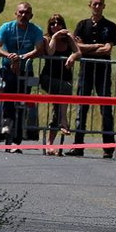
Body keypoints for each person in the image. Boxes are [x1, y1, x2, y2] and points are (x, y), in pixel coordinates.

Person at [66, 0, 116, 158]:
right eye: (95, 4)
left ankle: (108, 148)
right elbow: (77, 47)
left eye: (100, 4)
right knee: (82, 108)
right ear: (89, 5)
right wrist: (96, 46)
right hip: (86, 71)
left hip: (103, 72)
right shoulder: (82, 25)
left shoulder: (110, 26)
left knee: (106, 109)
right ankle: (78, 146)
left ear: (104, 6)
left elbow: (108, 49)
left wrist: (87, 48)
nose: (97, 6)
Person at [0, 1, 46, 152]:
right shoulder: (6, 27)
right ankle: (7, 126)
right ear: (16, 13)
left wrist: (21, 57)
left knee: (22, 103)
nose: (23, 15)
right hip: (7, 68)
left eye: (26, 13)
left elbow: (39, 48)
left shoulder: (35, 30)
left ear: (31, 15)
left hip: (26, 69)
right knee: (9, 97)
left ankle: (17, 140)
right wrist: (10, 56)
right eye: (21, 12)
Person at [39, 14, 80, 155]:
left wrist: (72, 56)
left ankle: (50, 145)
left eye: (58, 23)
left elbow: (78, 51)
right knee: (65, 89)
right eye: (52, 24)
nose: (55, 25)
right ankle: (64, 120)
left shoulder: (69, 39)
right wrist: (55, 37)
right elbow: (50, 52)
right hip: (49, 78)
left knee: (57, 106)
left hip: (64, 78)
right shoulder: (47, 39)